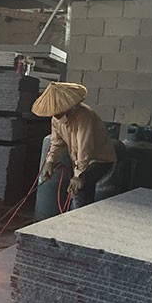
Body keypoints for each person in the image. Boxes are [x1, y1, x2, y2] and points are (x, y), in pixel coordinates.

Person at [32, 81, 116, 209]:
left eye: (59, 113)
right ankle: (84, 214)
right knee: (82, 192)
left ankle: (76, 219)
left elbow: (85, 147)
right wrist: (50, 161)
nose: (57, 116)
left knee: (78, 190)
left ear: (68, 107)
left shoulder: (84, 116)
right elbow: (56, 142)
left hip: (99, 160)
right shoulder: (56, 120)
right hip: (81, 161)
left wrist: (79, 175)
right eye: (55, 114)